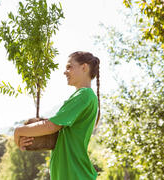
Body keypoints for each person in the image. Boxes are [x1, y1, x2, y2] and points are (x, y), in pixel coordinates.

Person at [14, 51, 100, 180]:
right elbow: (57, 132)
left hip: (76, 175)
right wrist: (30, 138)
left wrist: (19, 131)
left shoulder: (84, 95)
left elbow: (52, 126)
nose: (65, 72)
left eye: (69, 67)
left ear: (84, 67)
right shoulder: (84, 96)